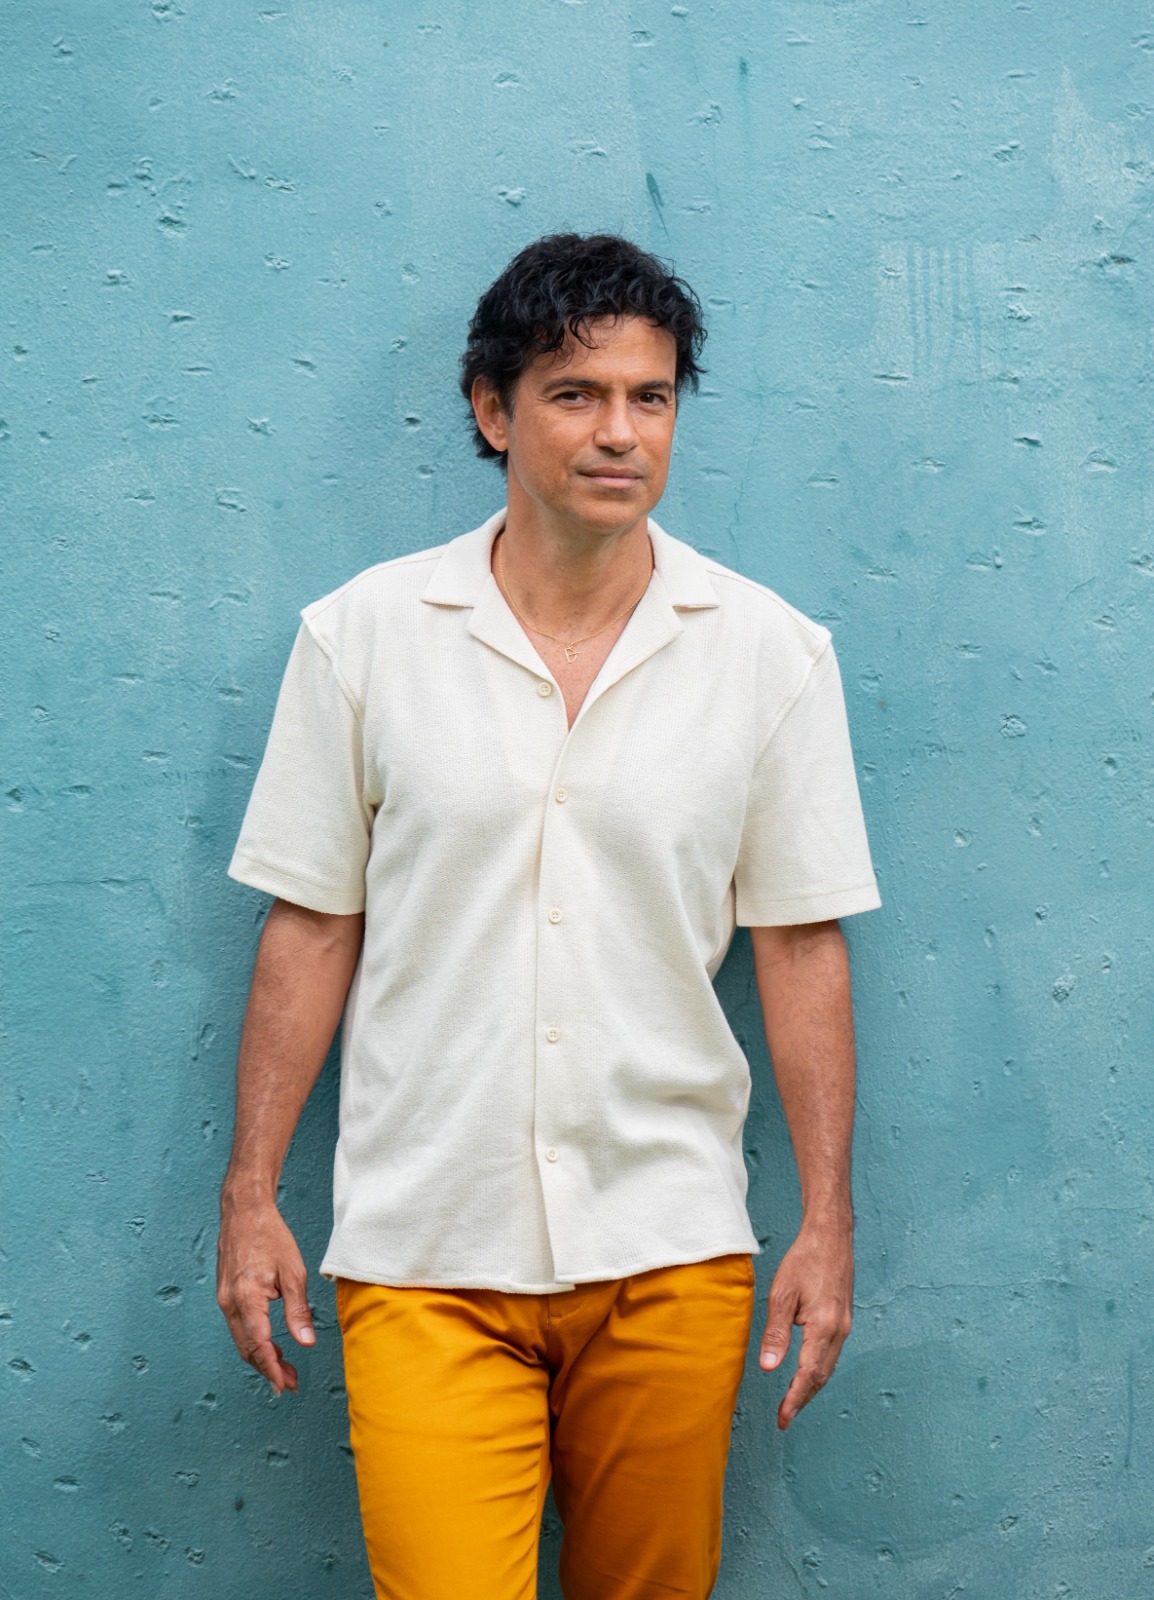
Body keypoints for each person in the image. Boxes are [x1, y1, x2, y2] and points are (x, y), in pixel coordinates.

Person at [216, 232, 881, 1600]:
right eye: (575, 394)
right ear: (492, 410)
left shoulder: (768, 653)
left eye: (650, 397)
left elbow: (802, 942)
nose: (619, 432)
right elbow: (312, 924)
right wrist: (250, 1192)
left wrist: (828, 1219)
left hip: (668, 1243)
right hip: (424, 1246)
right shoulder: (364, 636)